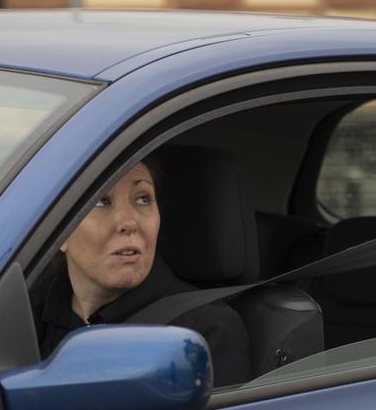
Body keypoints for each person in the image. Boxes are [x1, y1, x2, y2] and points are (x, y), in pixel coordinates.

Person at [30, 160, 253, 387]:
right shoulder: (27, 312)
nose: (128, 223)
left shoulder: (202, 331)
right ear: (60, 232)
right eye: (101, 201)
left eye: (143, 199)